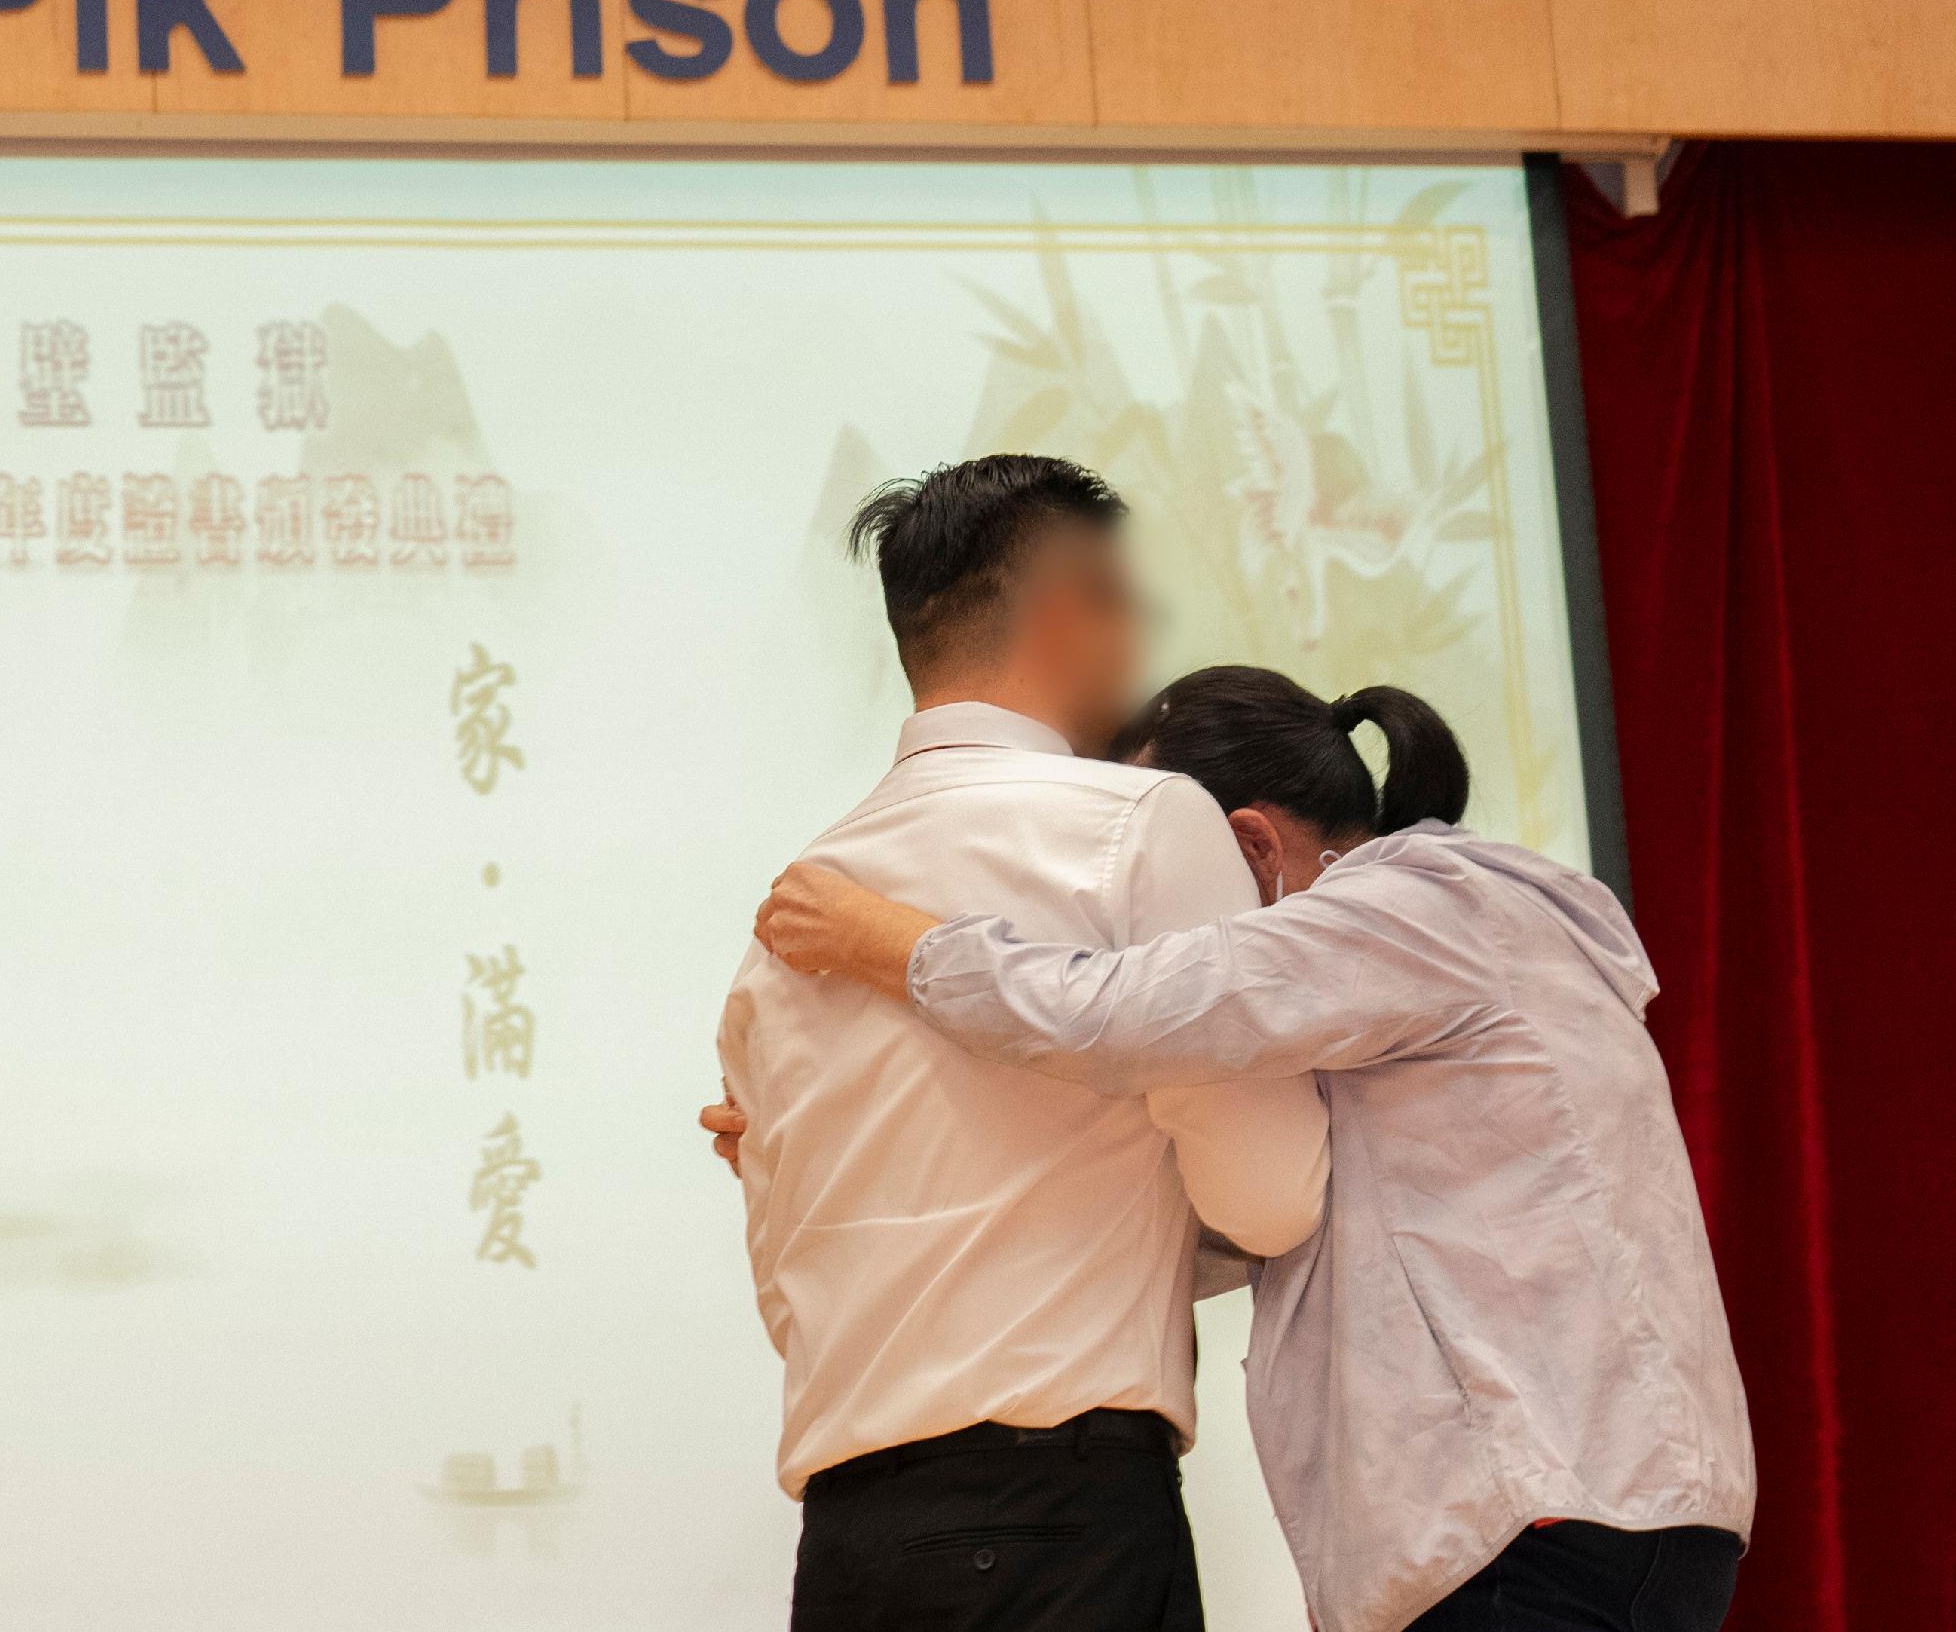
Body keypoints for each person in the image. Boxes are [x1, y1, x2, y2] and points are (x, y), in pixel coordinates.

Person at [742, 666, 1753, 1632]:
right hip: (1588, 1513)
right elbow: (1247, 1221)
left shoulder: (1410, 912)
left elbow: (1121, 1009)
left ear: (1249, 847)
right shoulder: (1444, 948)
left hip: (1535, 1519)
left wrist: (887, 941)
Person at [717, 456, 1328, 1631]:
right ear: (1064, 607)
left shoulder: (784, 925)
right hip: (1061, 1523)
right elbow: (1269, 1196)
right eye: (1123, 602)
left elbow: (790, 1290)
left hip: (847, 1547)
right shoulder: (1142, 824)